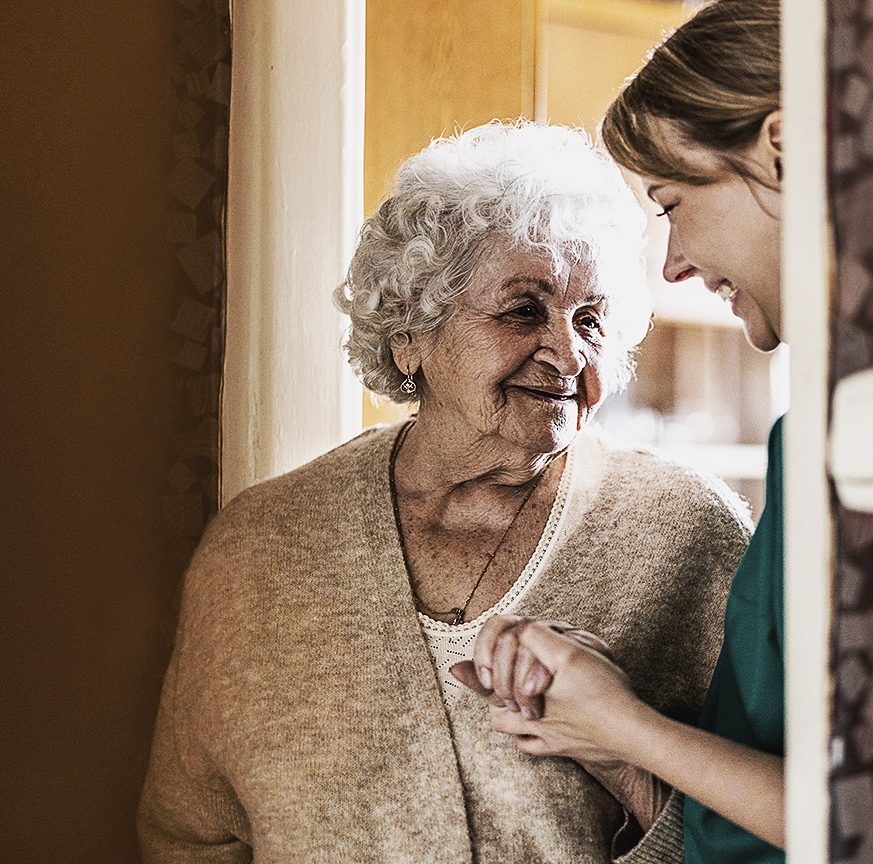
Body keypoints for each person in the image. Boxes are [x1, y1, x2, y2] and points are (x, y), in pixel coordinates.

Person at [137, 121, 757, 863]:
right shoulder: (262, 547)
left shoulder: (684, 531)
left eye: (591, 319)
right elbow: (189, 835)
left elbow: (767, 834)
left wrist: (628, 766)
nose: (567, 352)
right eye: (523, 310)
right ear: (411, 334)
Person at [450, 3, 791, 862]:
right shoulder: (809, 444)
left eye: (672, 203)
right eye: (520, 309)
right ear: (408, 335)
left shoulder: (852, 453)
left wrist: (628, 729)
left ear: (783, 151)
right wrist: (612, 735)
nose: (671, 262)